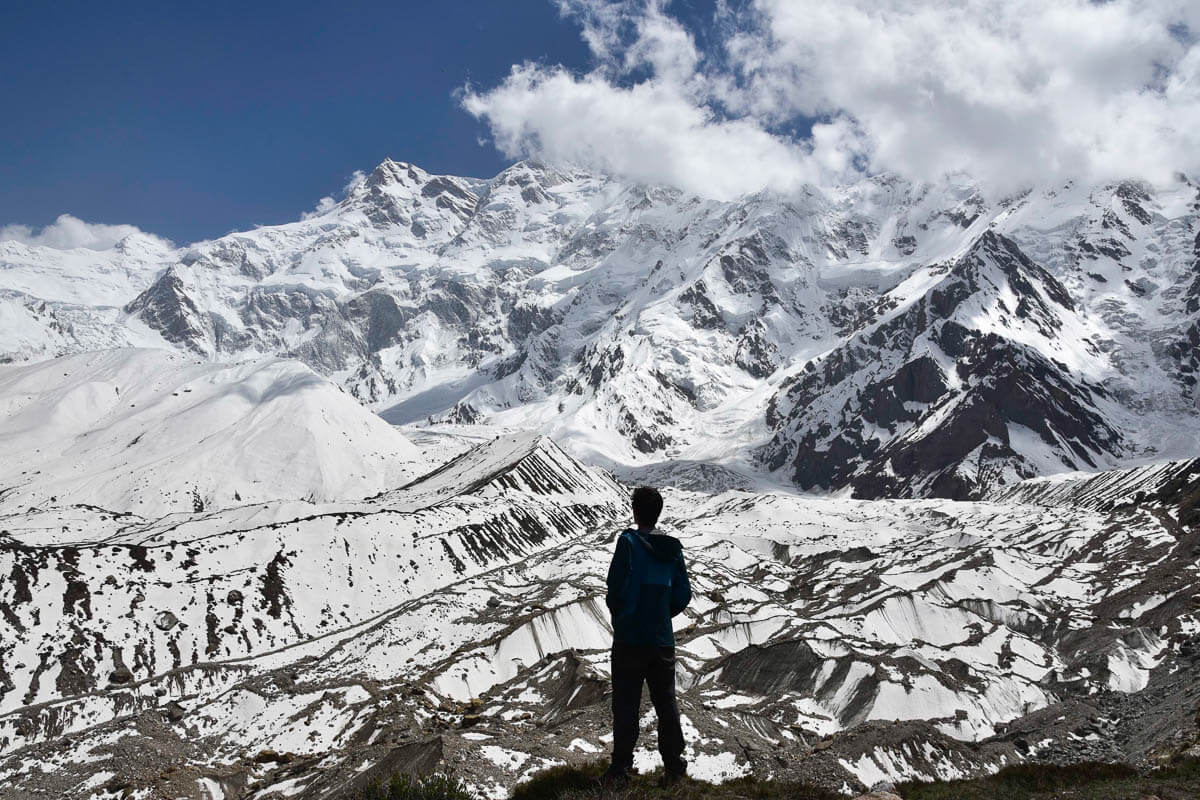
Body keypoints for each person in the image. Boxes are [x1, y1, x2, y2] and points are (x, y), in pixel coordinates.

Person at [602, 486, 692, 787]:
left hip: (629, 639)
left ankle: (621, 769)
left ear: (635, 511)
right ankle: (674, 766)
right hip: (661, 640)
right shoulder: (673, 549)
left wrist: (622, 615)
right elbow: (682, 594)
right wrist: (661, 617)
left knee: (626, 704)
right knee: (666, 702)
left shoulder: (627, 543)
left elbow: (614, 587)